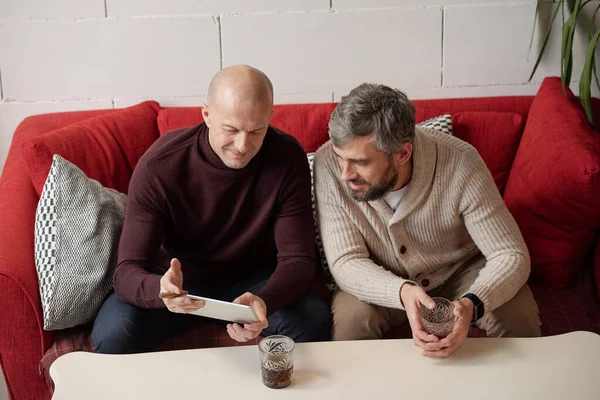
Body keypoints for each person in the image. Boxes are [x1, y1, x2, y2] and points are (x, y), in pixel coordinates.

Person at [92, 65, 332, 354]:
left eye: (257, 131)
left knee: (312, 320)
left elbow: (298, 259)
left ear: (270, 117)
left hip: (254, 281)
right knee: (114, 333)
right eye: (231, 130)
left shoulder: (287, 157)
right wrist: (162, 290)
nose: (243, 145)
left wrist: (263, 300)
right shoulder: (159, 165)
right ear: (206, 114)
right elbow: (126, 271)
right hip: (179, 286)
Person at [313, 83, 540, 358]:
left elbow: (510, 253)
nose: (345, 174)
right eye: (341, 159)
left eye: (360, 162)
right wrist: (402, 291)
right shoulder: (327, 164)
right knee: (351, 325)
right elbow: (345, 261)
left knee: (519, 319)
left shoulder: (461, 161)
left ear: (402, 153)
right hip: (378, 275)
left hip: (461, 273)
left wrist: (472, 304)